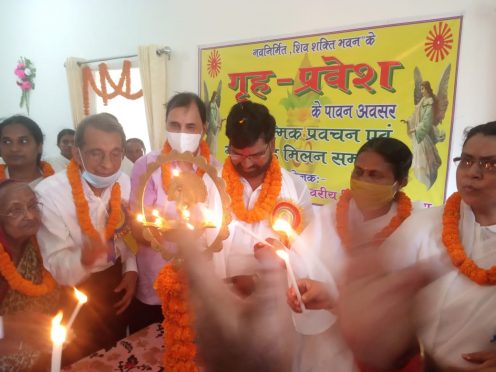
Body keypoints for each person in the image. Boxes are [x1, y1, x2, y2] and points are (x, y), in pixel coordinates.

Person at [261, 137, 414, 372]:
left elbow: (401, 306)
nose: (364, 181)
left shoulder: (412, 229)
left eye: (375, 175)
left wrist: (335, 297)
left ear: (400, 181)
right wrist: (285, 264)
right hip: (319, 347)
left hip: (372, 353)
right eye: (359, 172)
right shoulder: (329, 216)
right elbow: (300, 263)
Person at [368, 121, 496, 370]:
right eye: (467, 161)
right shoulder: (424, 223)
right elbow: (377, 289)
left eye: (491, 164)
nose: (473, 172)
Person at [35, 113, 137, 364]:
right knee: (78, 358)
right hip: (73, 291)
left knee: (115, 351)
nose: (107, 164)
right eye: (96, 153)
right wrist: (84, 258)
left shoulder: (124, 181)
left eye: (115, 153)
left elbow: (128, 233)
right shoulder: (49, 194)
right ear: (77, 154)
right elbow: (56, 264)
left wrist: (131, 270)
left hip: (115, 279)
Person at [129, 92, 217, 333]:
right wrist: (172, 233)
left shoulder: (214, 169)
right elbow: (137, 228)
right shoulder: (147, 166)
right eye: (175, 125)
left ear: (204, 128)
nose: (182, 133)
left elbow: (219, 228)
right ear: (165, 125)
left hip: (199, 282)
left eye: (191, 127)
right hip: (155, 281)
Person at [213, 100, 314, 297]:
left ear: (272, 144)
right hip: (219, 301)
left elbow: (310, 254)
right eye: (237, 154)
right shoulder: (210, 184)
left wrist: (282, 260)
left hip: (273, 302)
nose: (247, 163)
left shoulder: (295, 188)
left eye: (256, 155)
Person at [0, 180, 60, 370]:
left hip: (39, 351)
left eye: (33, 205)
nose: (30, 215)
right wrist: (7, 326)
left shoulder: (38, 242)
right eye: (15, 210)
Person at [404, 81, 444, 189]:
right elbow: (416, 116)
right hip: (418, 134)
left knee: (425, 160)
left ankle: (426, 181)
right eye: (420, 89)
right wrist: (409, 122)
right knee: (418, 160)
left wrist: (415, 129)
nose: (421, 91)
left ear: (427, 89)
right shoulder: (422, 101)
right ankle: (419, 182)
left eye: (423, 89)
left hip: (422, 134)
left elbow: (427, 121)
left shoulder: (430, 102)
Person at [0, 115, 54, 186]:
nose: (14, 149)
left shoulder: (59, 184)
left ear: (39, 147)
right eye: (7, 142)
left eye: (24, 141)